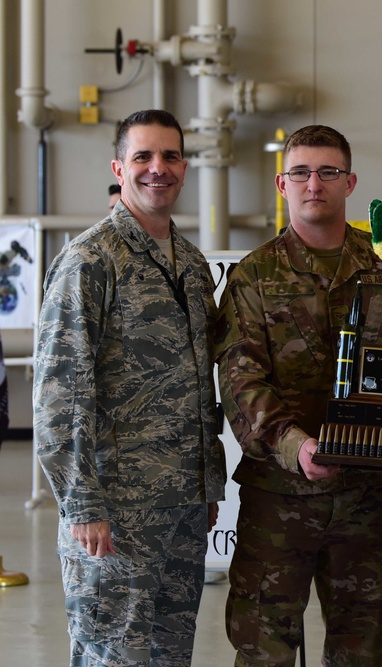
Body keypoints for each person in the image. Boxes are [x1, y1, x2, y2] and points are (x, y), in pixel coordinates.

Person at [216, 124, 382, 667]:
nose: (315, 183)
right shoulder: (254, 276)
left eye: (328, 172)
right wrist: (294, 444)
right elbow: (241, 379)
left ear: (351, 182)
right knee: (264, 648)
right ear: (282, 185)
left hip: (365, 496)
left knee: (360, 647)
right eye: (301, 172)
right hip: (279, 497)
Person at [33, 108, 226, 666]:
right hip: (117, 510)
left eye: (169, 156)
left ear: (184, 167)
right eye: (143, 156)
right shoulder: (90, 259)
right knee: (112, 654)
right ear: (120, 167)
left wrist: (205, 483)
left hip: (183, 504)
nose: (157, 168)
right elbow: (61, 392)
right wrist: (82, 502)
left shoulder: (190, 262)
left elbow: (197, 381)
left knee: (171, 653)